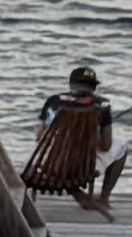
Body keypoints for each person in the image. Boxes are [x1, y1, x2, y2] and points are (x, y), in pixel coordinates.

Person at [22, 61, 120, 211]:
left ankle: (79, 195)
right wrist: (93, 134)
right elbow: (106, 146)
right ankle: (104, 199)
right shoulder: (102, 105)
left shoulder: (54, 101)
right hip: (83, 167)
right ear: (93, 87)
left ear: (71, 85)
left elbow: (41, 138)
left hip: (52, 166)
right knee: (122, 147)